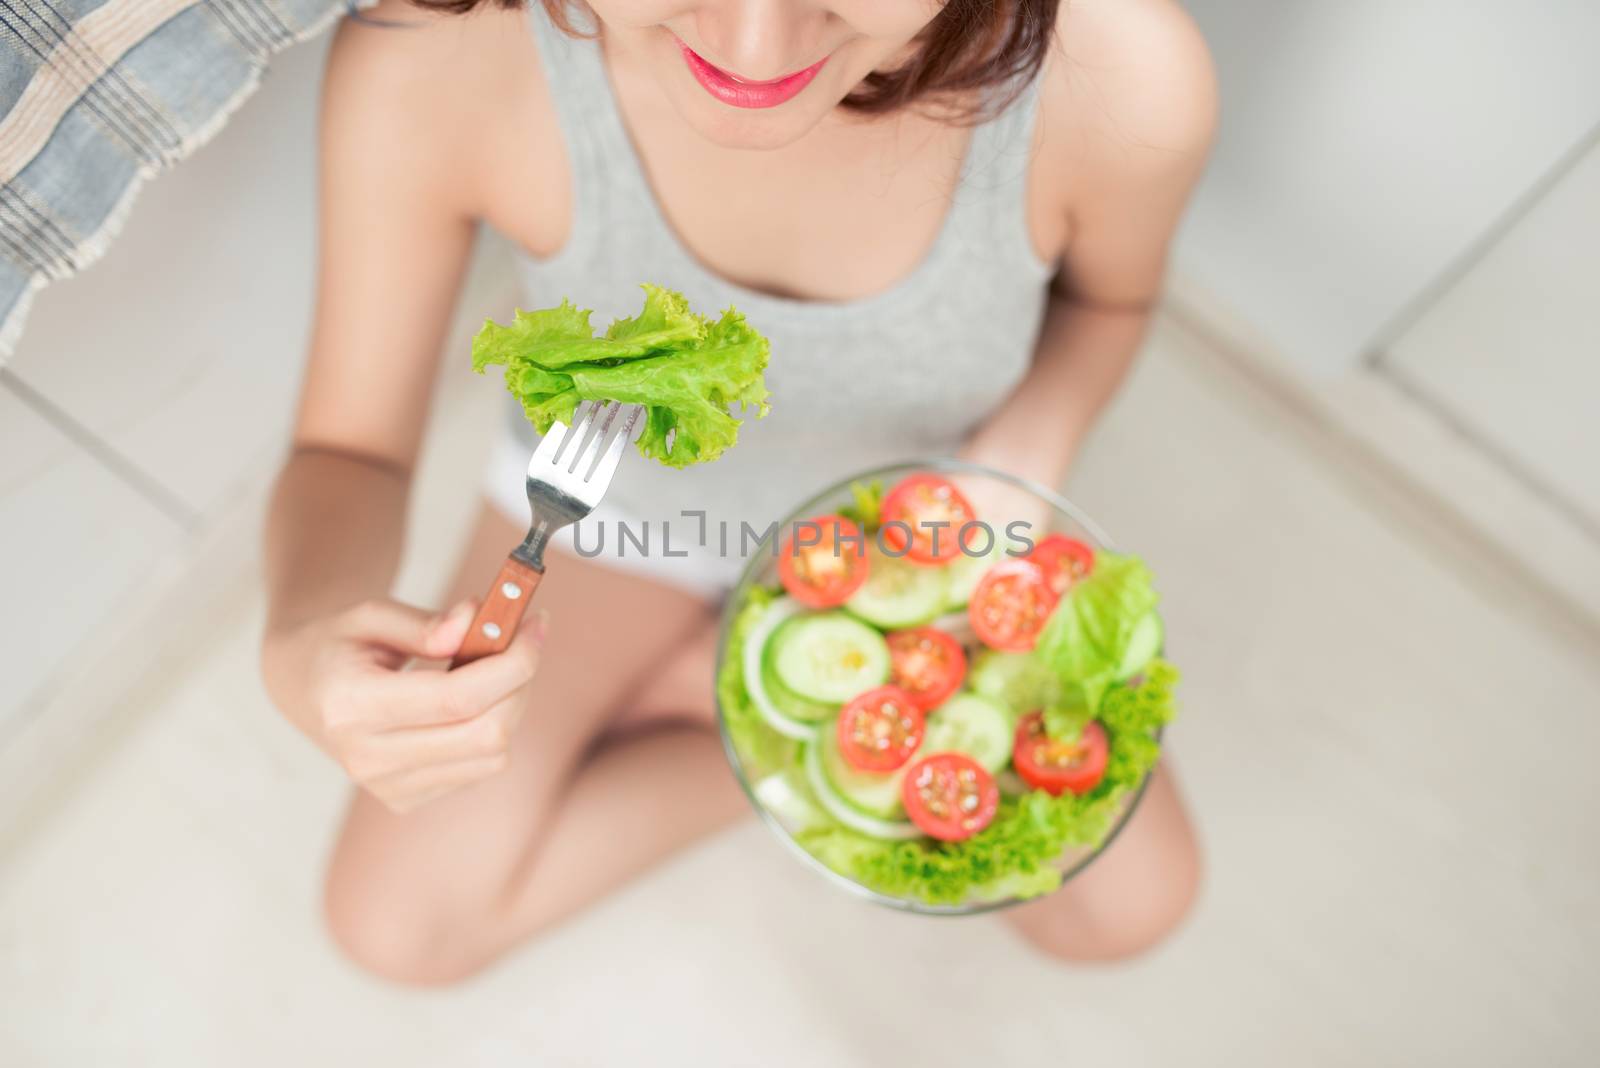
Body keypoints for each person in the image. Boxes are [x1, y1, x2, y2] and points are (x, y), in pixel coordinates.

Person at [260, 0, 1214, 985]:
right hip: (616, 519)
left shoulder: (1117, 74)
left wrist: (1019, 456)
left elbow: (1110, 303)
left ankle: (744, 708)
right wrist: (301, 638)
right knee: (394, 925)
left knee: (1126, 907)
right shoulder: (436, 55)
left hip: (911, 539)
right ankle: (763, 728)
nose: (754, 52)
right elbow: (351, 449)